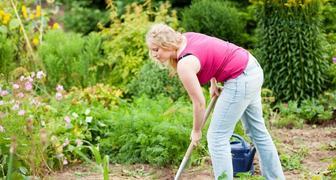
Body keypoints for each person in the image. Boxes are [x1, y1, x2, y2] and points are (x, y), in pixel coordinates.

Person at [145, 23, 285, 180]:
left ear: (167, 43)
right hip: (251, 68)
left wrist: (196, 131)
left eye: (156, 49)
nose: (154, 54)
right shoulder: (187, 37)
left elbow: (199, 103)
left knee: (217, 137)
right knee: (257, 132)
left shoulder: (184, 64)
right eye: (151, 50)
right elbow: (212, 53)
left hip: (240, 78)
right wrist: (213, 83)